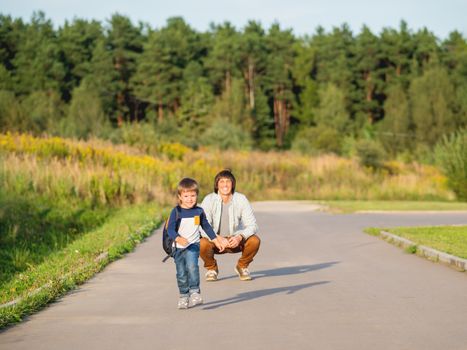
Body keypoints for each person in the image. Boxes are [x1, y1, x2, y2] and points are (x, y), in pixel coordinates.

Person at [167, 177, 226, 309]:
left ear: (197, 195)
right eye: (186, 196)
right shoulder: (176, 212)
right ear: (180, 197)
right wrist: (178, 238)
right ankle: (183, 295)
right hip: (178, 248)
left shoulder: (198, 211)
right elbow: (169, 229)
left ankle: (194, 292)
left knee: (192, 267)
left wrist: (216, 240)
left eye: (193, 195)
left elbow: (206, 227)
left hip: (193, 245)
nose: (190, 199)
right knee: (181, 272)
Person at [200, 169, 260, 281]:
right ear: (217, 184)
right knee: (201, 243)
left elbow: (253, 225)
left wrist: (240, 237)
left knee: (255, 240)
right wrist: (216, 237)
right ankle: (211, 269)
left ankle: (242, 266)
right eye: (221, 181)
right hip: (216, 241)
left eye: (228, 181)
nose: (225, 185)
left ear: (233, 184)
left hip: (235, 240)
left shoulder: (241, 199)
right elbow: (201, 226)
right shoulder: (209, 200)